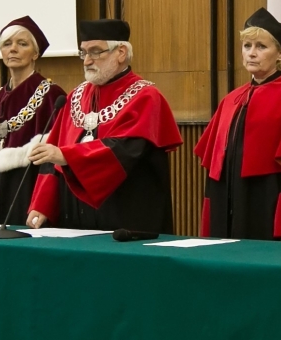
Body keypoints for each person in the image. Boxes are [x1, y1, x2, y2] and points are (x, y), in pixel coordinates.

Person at [194, 8, 281, 244]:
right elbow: (216, 168)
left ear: (280, 53)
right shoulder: (232, 100)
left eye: (261, 46)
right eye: (247, 46)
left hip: (268, 207)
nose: (251, 53)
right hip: (230, 206)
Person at [27, 19, 181, 232]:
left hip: (126, 216)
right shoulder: (74, 97)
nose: (87, 61)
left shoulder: (146, 97)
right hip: (76, 219)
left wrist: (68, 156)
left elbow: (125, 150)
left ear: (121, 53)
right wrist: (42, 204)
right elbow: (51, 155)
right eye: (83, 53)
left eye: (95, 52)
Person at [0, 16, 66, 226]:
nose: (13, 49)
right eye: (7, 44)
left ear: (35, 53)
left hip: (29, 191)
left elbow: (56, 159)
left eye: (22, 44)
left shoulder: (52, 96)